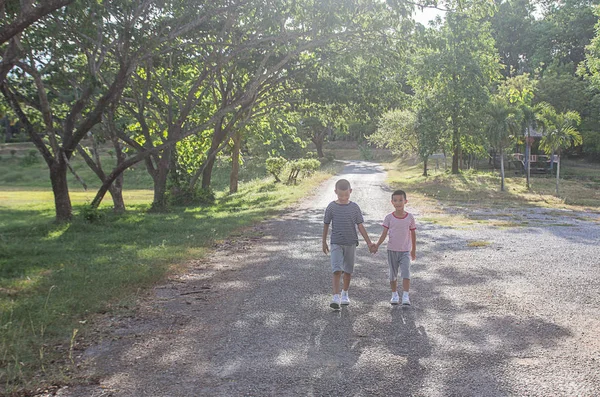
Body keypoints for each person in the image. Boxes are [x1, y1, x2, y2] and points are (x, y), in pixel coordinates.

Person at [322, 179, 374, 309]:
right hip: (336, 242)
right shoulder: (331, 207)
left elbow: (360, 226)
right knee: (336, 269)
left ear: (350, 191)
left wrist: (369, 243)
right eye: (341, 195)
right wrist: (323, 241)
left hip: (351, 242)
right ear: (335, 192)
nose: (344, 198)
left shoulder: (354, 207)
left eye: (346, 195)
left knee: (348, 270)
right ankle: (335, 296)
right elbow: (326, 224)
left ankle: (345, 293)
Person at [372, 189, 417, 306]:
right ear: (392, 202)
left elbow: (413, 234)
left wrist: (413, 250)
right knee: (393, 274)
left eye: (400, 200)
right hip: (392, 250)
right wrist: (377, 245)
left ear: (405, 201)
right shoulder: (389, 218)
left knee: (406, 273)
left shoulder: (410, 218)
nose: (398, 203)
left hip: (405, 251)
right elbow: (384, 234)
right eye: (395, 200)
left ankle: (406, 296)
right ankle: (394, 294)